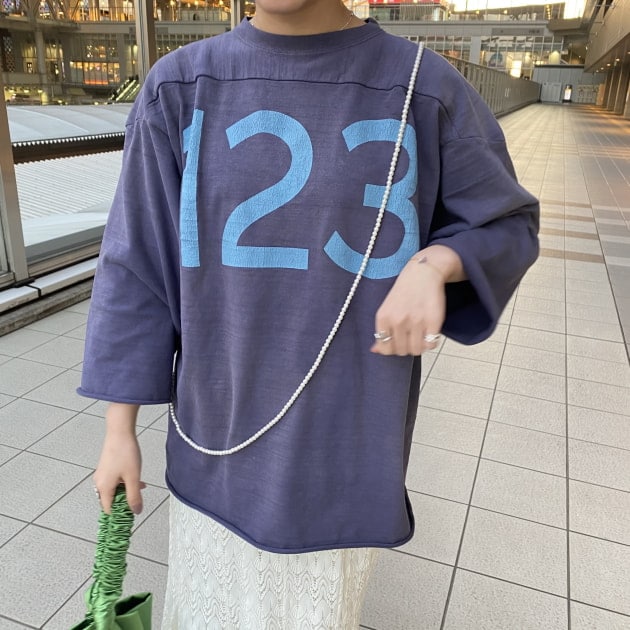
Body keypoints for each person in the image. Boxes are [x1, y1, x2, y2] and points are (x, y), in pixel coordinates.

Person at [78, 0, 540, 626]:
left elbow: (506, 222)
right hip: (217, 440)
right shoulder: (181, 86)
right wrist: (118, 430)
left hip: (343, 448)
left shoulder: (423, 88)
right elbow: (137, 265)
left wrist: (437, 263)